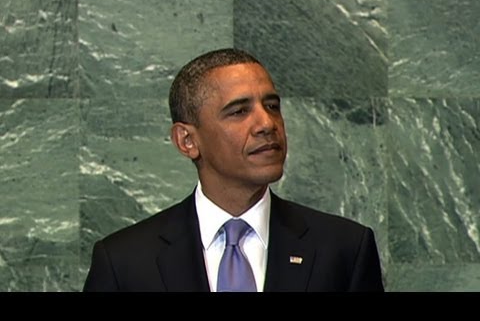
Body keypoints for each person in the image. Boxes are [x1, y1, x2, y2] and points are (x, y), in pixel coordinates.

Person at [83, 48, 384, 292]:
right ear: (187, 140)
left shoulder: (344, 249)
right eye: (239, 111)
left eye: (272, 106)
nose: (267, 124)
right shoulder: (125, 262)